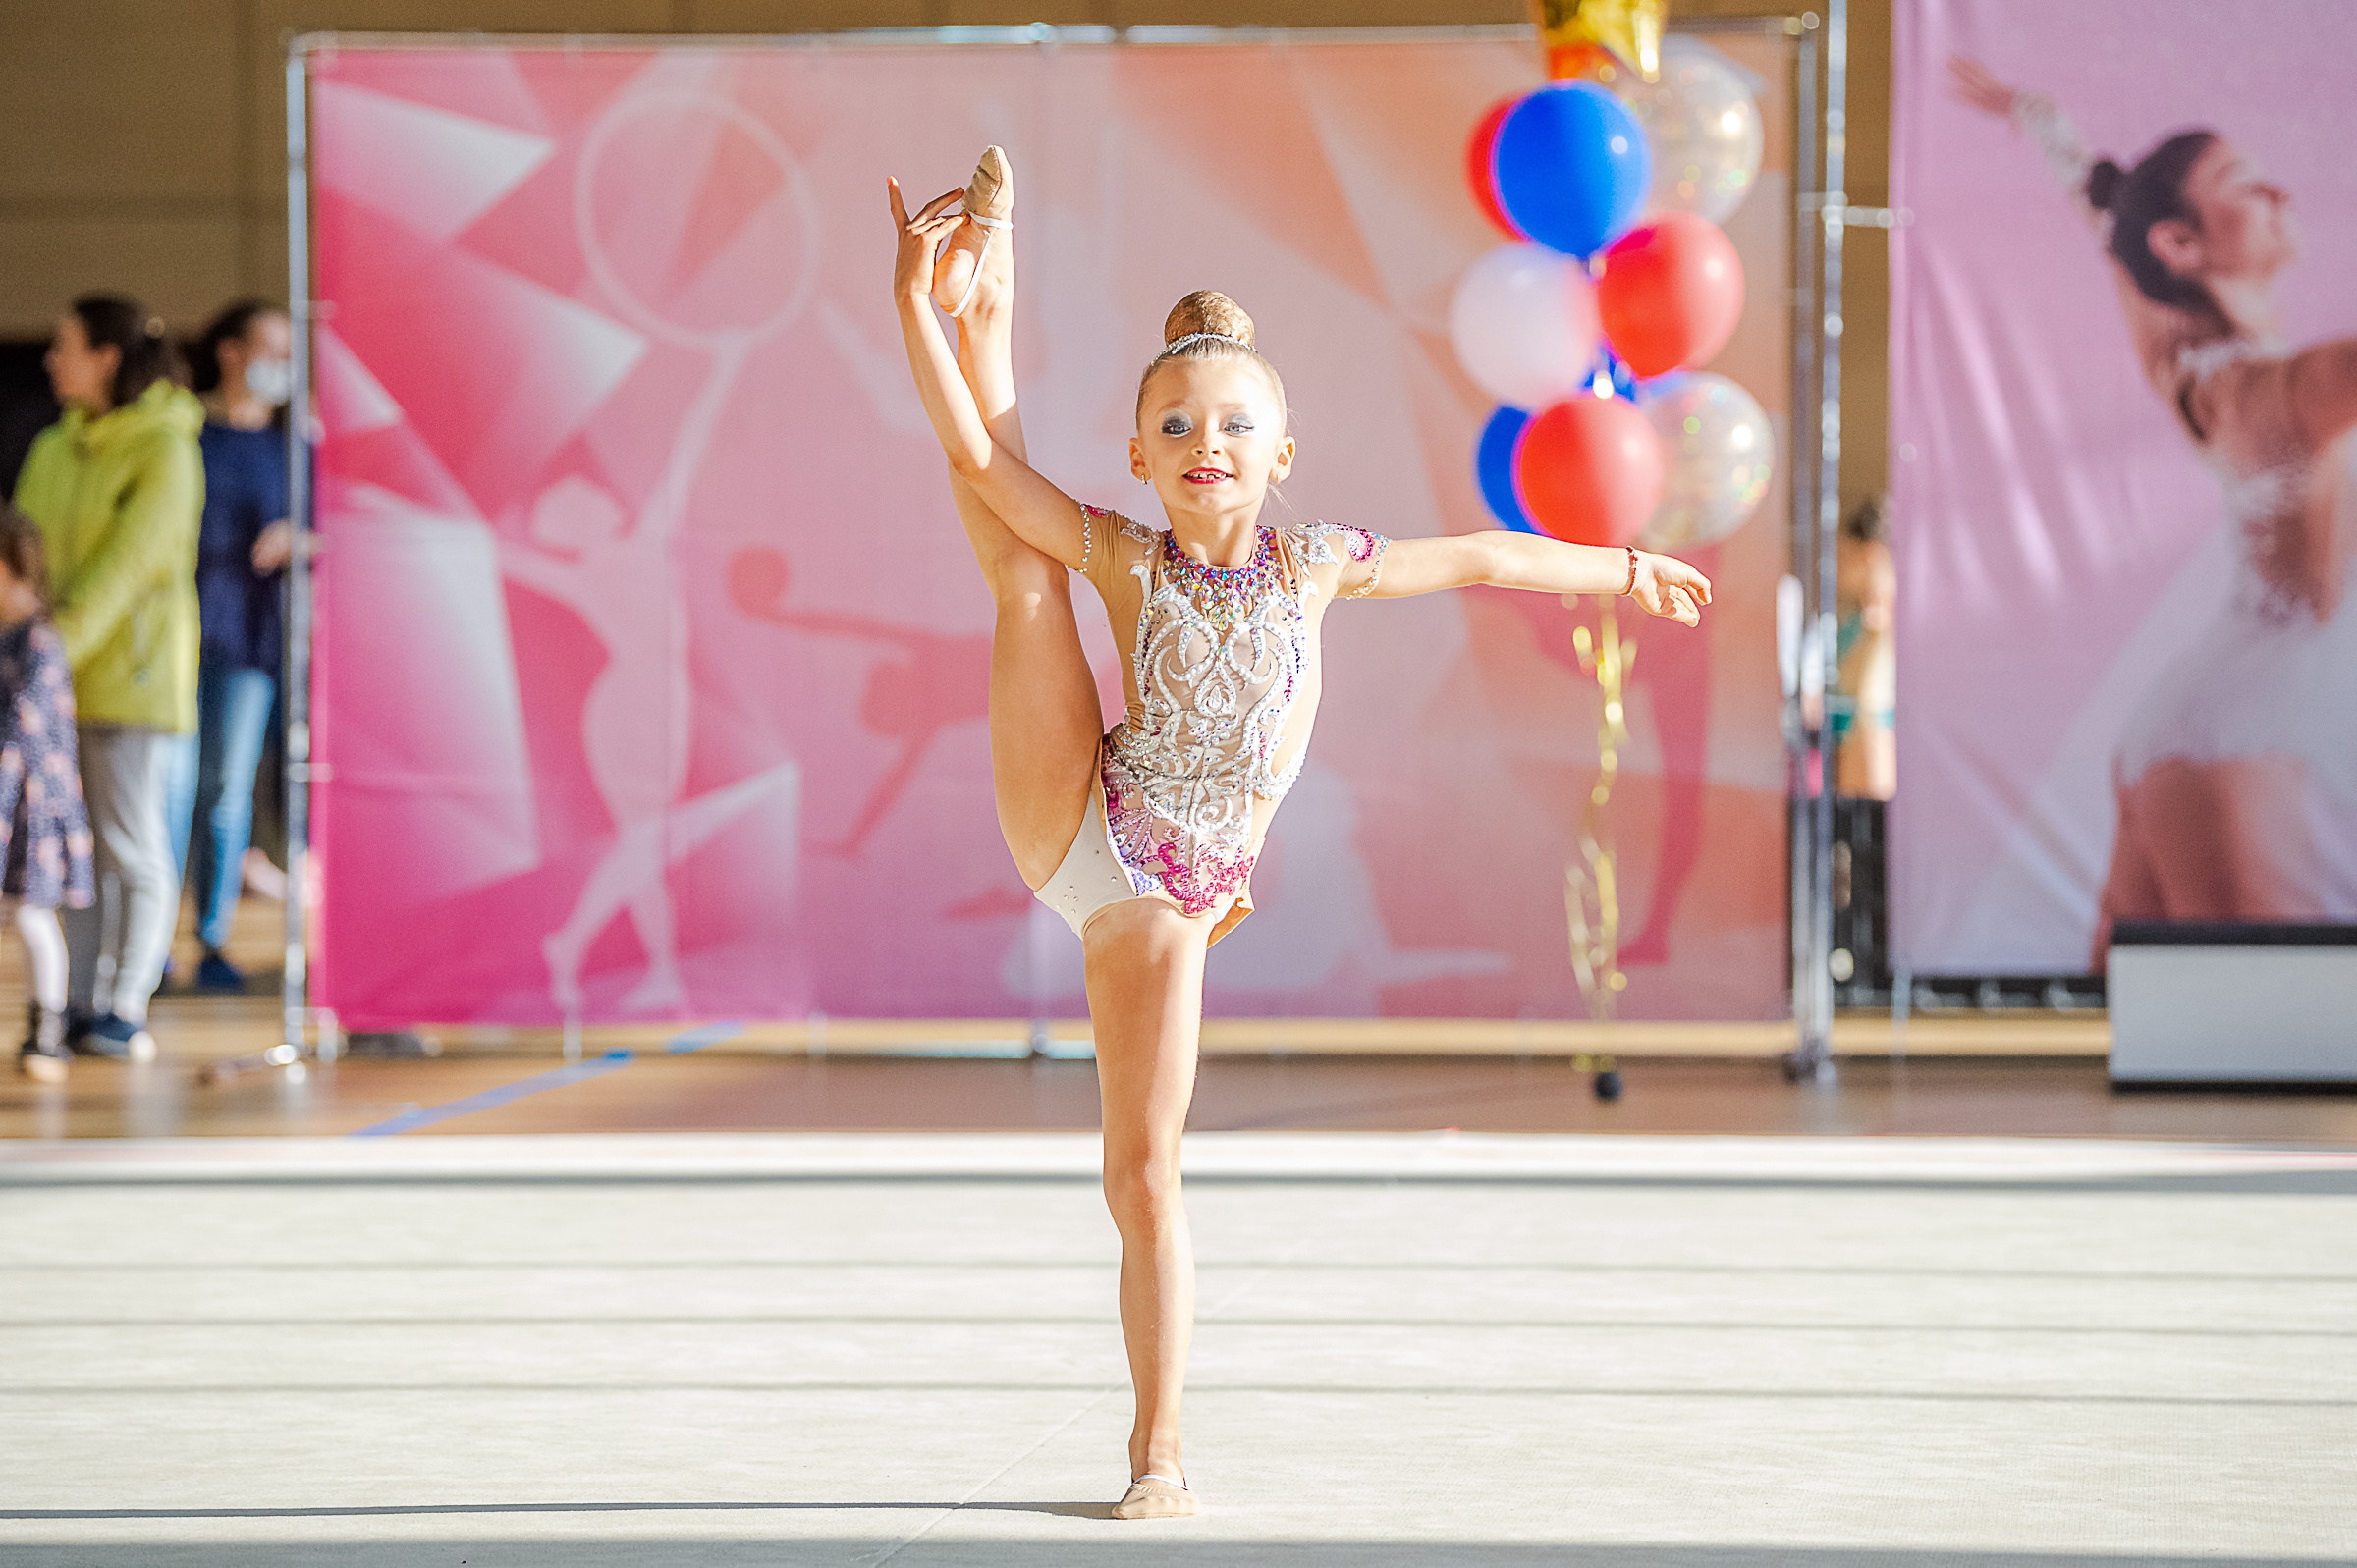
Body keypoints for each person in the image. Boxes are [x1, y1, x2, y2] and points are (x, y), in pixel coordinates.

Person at [888, 150, 1712, 1516]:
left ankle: (1158, 1447)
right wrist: (910, 298)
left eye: (1232, 425)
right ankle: (984, 279)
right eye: (1175, 426)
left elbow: (1491, 555)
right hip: (1088, 828)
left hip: (1182, 880)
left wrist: (1626, 567)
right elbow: (978, 457)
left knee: (1142, 1167)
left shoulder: (1321, 562)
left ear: (1280, 455)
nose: (1204, 444)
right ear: (1144, 454)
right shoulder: (1128, 553)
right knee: (1024, 575)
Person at [1952, 59, 2357, 954]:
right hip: (2246, 739)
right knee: (2265, 1039)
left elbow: (2102, 210)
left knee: (2141, 1014)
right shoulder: (2257, 394)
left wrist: (2038, 116)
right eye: (2244, 184)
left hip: (2210, 725)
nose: (2279, 189)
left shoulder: (2173, 342)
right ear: (2179, 243)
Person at [10, 295, 201, 1060]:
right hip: (55, 684)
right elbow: (22, 551)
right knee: (79, 852)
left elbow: (128, 564)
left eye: (67, 346)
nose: (53, 360)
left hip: (133, 679)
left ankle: (128, 1003)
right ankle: (83, 999)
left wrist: (49, 646)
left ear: (108, 356)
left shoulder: (166, 446)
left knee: (133, 844)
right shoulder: (56, 445)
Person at [168, 299, 292, 990]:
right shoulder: (186, 433)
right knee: (172, 787)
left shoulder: (290, 444)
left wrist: (296, 541)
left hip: (250, 639)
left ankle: (211, 937)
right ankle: (151, 942)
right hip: (181, 630)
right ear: (231, 351)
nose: (281, 365)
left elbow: (327, 524)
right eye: (270, 348)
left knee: (224, 789)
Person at [0, 504, 96, 1082]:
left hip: (30, 806)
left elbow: (22, 730)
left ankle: (49, 1029)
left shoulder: (38, 642)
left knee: (33, 914)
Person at [1833, 496, 1896, 800]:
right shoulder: (1858, 613)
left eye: (1846, 556)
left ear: (1871, 555)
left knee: (1871, 822)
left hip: (1872, 732)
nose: (1839, 567)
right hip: (1856, 731)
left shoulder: (1885, 613)